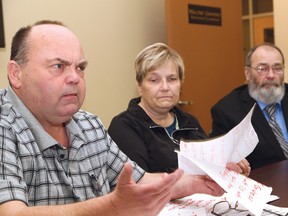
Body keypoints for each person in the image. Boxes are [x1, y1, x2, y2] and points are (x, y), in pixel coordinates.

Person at [0, 20, 242, 216]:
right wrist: (113, 207)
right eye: (58, 67)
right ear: (16, 73)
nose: (74, 77)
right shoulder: (5, 126)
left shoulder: (89, 124)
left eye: (80, 68)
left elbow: (142, 181)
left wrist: (194, 182)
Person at [108, 42, 250, 175]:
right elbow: (139, 185)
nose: (165, 87)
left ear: (180, 83)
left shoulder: (189, 122)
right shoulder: (124, 126)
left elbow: (210, 164)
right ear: (139, 86)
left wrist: (227, 166)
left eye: (172, 79)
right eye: (154, 80)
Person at [210, 43, 288, 170]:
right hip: (264, 186)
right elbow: (219, 163)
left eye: (277, 68)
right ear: (247, 73)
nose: (271, 75)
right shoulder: (226, 111)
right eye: (262, 69)